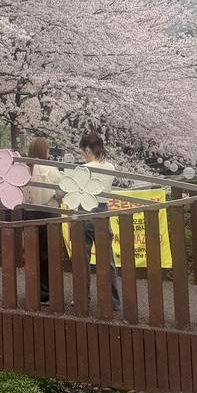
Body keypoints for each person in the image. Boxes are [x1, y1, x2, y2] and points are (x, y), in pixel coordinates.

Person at [78, 131, 122, 312]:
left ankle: (82, 297)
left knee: (83, 257)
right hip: (103, 210)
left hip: (85, 209)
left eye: (83, 150)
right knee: (107, 258)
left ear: (88, 149)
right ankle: (113, 300)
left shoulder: (84, 168)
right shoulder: (111, 167)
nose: (82, 154)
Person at [24, 137, 61, 303]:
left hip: (29, 214)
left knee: (32, 253)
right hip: (48, 214)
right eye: (47, 149)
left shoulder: (25, 168)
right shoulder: (50, 168)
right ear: (43, 150)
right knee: (48, 254)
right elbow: (61, 192)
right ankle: (46, 291)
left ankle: (33, 289)